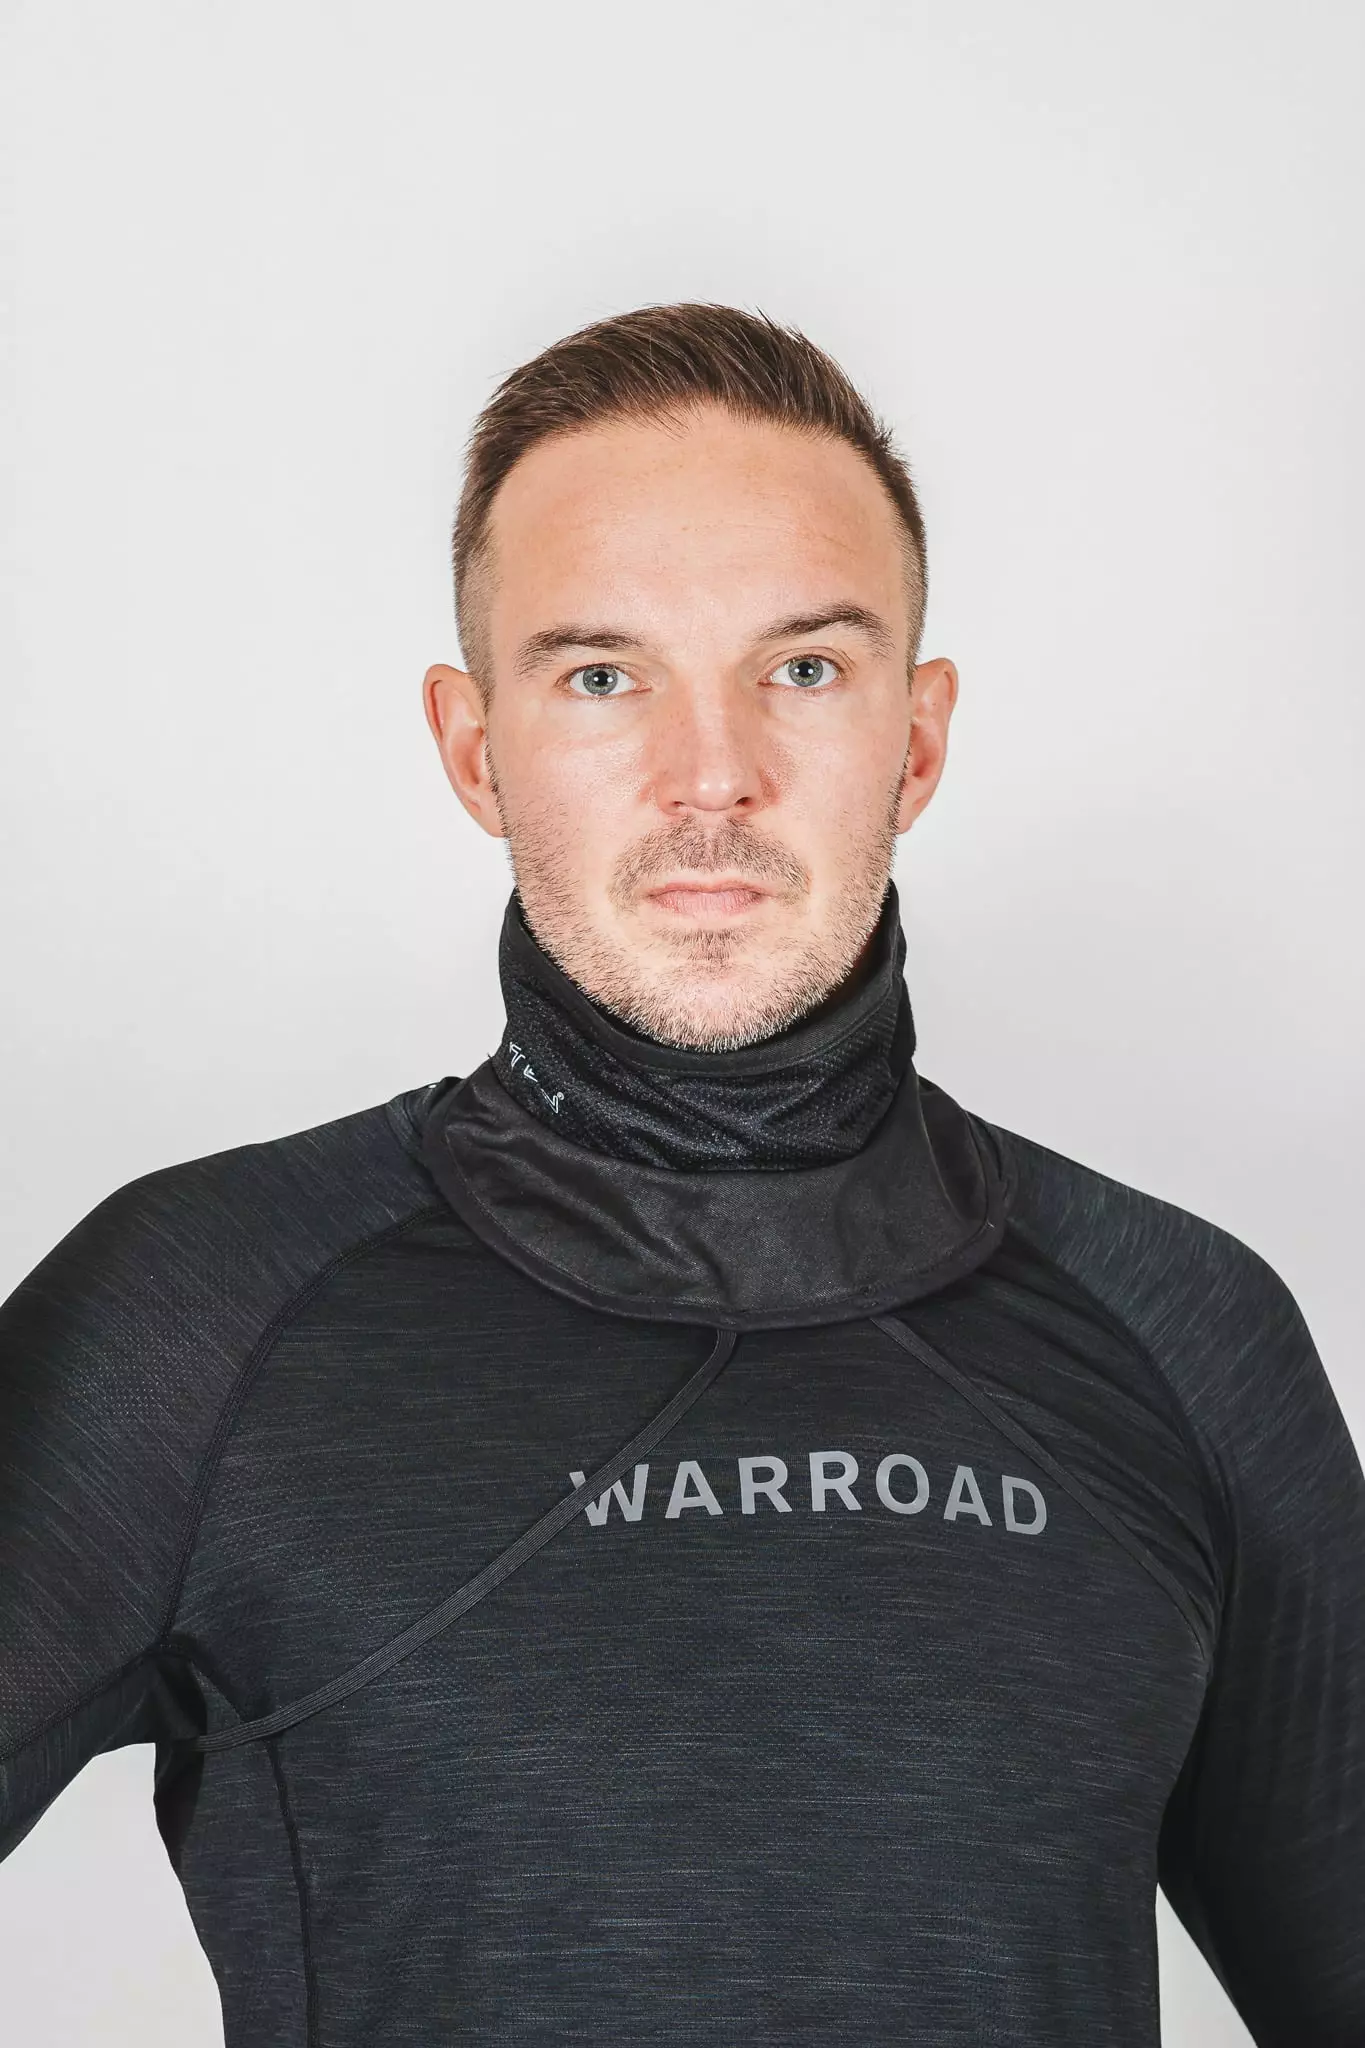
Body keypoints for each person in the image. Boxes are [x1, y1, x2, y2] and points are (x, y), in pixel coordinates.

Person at [1, 302, 1360, 2048]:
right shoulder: (200, 1310)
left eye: (804, 670)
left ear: (918, 736)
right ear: (476, 748)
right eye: (602, 676)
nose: (710, 775)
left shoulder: (1185, 1328)